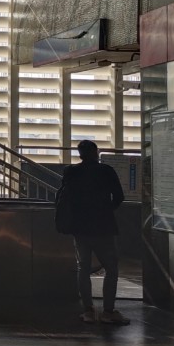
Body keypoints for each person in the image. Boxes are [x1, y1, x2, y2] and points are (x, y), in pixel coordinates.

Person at [56, 139, 129, 325]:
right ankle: (108, 312)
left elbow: (64, 197)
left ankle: (88, 311)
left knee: (84, 267)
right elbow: (119, 196)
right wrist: (106, 210)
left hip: (79, 227)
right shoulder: (106, 171)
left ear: (80, 154)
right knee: (111, 268)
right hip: (103, 226)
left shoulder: (71, 171)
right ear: (96, 152)